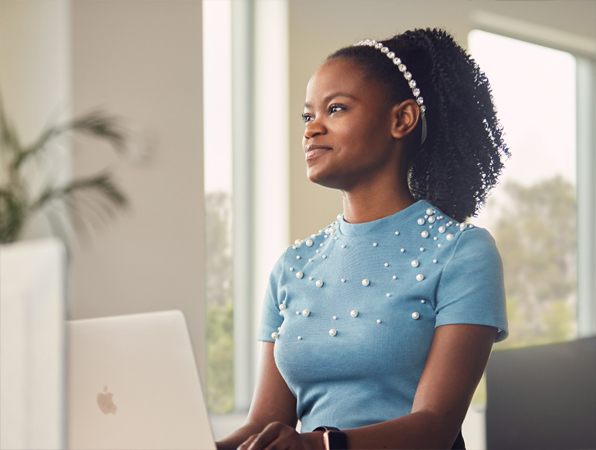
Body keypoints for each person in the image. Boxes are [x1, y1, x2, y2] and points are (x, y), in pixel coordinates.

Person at [217, 28, 509, 450]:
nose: (311, 129)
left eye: (335, 109)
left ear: (401, 119)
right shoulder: (292, 266)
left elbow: (435, 426)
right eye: (307, 116)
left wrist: (315, 446)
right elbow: (263, 423)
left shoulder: (462, 252)